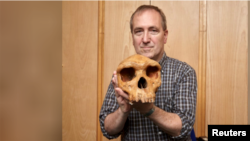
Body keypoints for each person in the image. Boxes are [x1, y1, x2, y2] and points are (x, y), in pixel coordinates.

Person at [99, 5, 197, 141]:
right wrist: (123, 111)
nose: (145, 39)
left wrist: (148, 110)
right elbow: (107, 130)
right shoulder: (123, 74)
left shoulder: (183, 72)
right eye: (138, 31)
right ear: (132, 38)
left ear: (165, 36)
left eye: (153, 31)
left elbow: (184, 126)